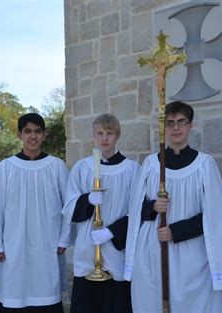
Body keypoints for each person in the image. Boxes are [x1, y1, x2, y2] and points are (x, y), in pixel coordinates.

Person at [124, 101, 222, 313]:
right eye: (170, 123)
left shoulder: (204, 164)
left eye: (181, 122)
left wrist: (176, 231)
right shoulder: (151, 164)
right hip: (153, 250)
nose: (175, 128)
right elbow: (135, 211)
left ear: (191, 126)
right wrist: (152, 206)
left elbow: (215, 215)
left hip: (192, 253)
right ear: (163, 128)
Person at [0, 113, 70, 313]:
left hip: (48, 245)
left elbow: (69, 206)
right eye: (27, 131)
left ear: (45, 134)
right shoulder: (6, 167)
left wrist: (64, 239)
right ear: (19, 134)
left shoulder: (56, 167)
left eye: (38, 131)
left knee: (46, 293)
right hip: (14, 246)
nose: (33, 136)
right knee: (14, 293)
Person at [62, 113, 140, 313]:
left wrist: (112, 232)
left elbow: (138, 210)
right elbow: (69, 205)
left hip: (116, 249)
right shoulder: (82, 168)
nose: (104, 138)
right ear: (93, 136)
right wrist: (87, 200)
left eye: (109, 133)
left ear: (117, 135)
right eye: (100, 133)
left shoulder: (132, 170)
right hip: (88, 248)